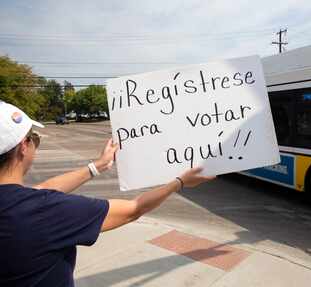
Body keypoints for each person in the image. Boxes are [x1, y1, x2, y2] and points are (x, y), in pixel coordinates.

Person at [0, 101, 215, 287]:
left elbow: (42, 189)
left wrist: (98, 166)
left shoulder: (23, 204)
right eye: (33, 138)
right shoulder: (47, 211)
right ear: (23, 147)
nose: (35, 143)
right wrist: (180, 182)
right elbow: (134, 209)